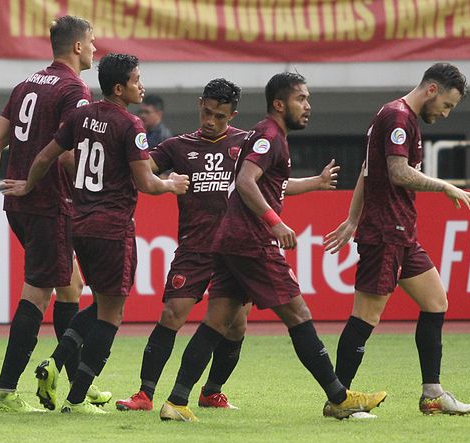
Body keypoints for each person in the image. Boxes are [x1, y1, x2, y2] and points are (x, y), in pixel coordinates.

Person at [159, 72, 387, 422]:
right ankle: (339, 397)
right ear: (280, 104)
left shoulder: (270, 136)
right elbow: (245, 182)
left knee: (215, 323)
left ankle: (175, 401)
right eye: (302, 99)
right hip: (251, 243)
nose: (308, 106)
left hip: (230, 241)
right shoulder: (268, 136)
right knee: (299, 315)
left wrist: (313, 184)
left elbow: (264, 185)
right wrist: (275, 222)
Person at [116, 78, 341, 412]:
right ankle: (145, 394)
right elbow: (142, 168)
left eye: (220, 117)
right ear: (199, 104)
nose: (211, 121)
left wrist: (316, 183)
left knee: (235, 325)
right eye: (207, 113)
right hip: (196, 247)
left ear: (232, 114)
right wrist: (164, 181)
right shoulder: (178, 146)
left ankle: (211, 392)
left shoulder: (246, 141)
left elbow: (272, 185)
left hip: (237, 248)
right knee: (171, 314)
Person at [3, 53, 189, 414]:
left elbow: (46, 157)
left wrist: (27, 185)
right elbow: (145, 183)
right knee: (111, 315)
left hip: (79, 223)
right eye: (137, 80)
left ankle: (55, 364)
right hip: (113, 227)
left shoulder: (79, 116)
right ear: (120, 88)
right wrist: (171, 184)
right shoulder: (131, 125)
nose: (142, 86)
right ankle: (74, 397)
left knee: (98, 304)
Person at [0, 15, 109, 413]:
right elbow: (68, 155)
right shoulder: (73, 90)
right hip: (49, 205)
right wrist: (98, 188)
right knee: (39, 291)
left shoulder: (26, 84)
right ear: (78, 46)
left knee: (71, 288)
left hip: (18, 203)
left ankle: (68, 386)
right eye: (93, 41)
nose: (96, 48)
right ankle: (5, 391)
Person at [323, 63, 470, 416]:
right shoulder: (397, 117)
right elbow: (397, 172)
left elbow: (366, 171)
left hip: (401, 233)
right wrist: (446, 186)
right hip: (385, 233)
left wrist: (351, 219)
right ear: (432, 90)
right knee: (365, 316)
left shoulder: (395, 115)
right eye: (448, 105)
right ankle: (338, 400)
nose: (446, 113)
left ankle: (432, 395)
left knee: (436, 301)